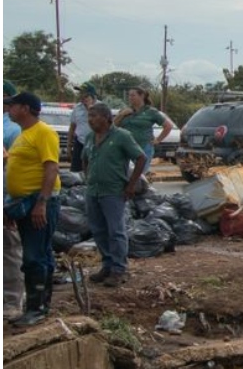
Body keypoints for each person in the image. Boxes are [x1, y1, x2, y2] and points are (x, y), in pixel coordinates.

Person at [5, 92, 61, 326]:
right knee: (39, 254)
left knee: (34, 256)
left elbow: (51, 168)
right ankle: (38, 305)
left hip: (38, 202)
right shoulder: (23, 134)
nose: (8, 109)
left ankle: (37, 309)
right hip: (23, 202)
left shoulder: (43, 132)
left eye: (12, 105)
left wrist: (41, 203)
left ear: (25, 108)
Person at [80, 104, 145, 287]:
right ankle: (107, 265)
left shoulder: (122, 136)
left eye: (94, 115)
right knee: (98, 230)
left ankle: (119, 269)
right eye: (89, 116)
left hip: (114, 192)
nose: (90, 119)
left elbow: (140, 158)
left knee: (116, 231)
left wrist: (131, 185)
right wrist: (88, 177)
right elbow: (85, 158)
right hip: (93, 191)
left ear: (107, 118)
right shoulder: (90, 137)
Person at [113, 86, 174, 177]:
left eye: (133, 95)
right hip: (125, 148)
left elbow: (168, 126)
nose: (130, 98)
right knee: (123, 174)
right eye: (129, 95)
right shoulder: (125, 110)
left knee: (139, 176)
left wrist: (158, 140)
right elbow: (112, 126)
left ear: (142, 96)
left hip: (143, 147)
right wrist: (122, 114)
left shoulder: (151, 112)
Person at [3, 82, 24, 321]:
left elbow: (11, 168)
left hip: (5, 197)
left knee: (8, 251)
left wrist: (9, 202)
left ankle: (12, 300)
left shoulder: (12, 130)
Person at [67, 83, 100, 173]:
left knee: (93, 171)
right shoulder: (77, 108)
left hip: (96, 144)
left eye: (85, 94)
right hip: (80, 143)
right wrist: (69, 146)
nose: (82, 96)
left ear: (92, 96)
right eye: (80, 93)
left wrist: (90, 108)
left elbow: (102, 124)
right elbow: (72, 127)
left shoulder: (101, 107)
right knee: (75, 171)